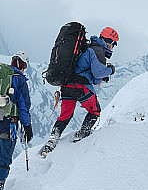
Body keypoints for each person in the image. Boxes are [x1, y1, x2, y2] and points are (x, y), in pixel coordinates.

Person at [39, 27, 118, 157]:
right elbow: (98, 73)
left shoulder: (87, 47)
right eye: (113, 44)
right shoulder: (97, 51)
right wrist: (110, 70)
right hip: (81, 86)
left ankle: (52, 141)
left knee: (65, 115)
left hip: (67, 86)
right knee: (95, 111)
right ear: (109, 41)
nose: (112, 47)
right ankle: (81, 137)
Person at [0, 51, 33, 190]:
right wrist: (27, 126)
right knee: (6, 156)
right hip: (7, 122)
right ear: (23, 65)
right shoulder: (19, 79)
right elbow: (24, 106)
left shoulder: (0, 76)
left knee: (3, 146)